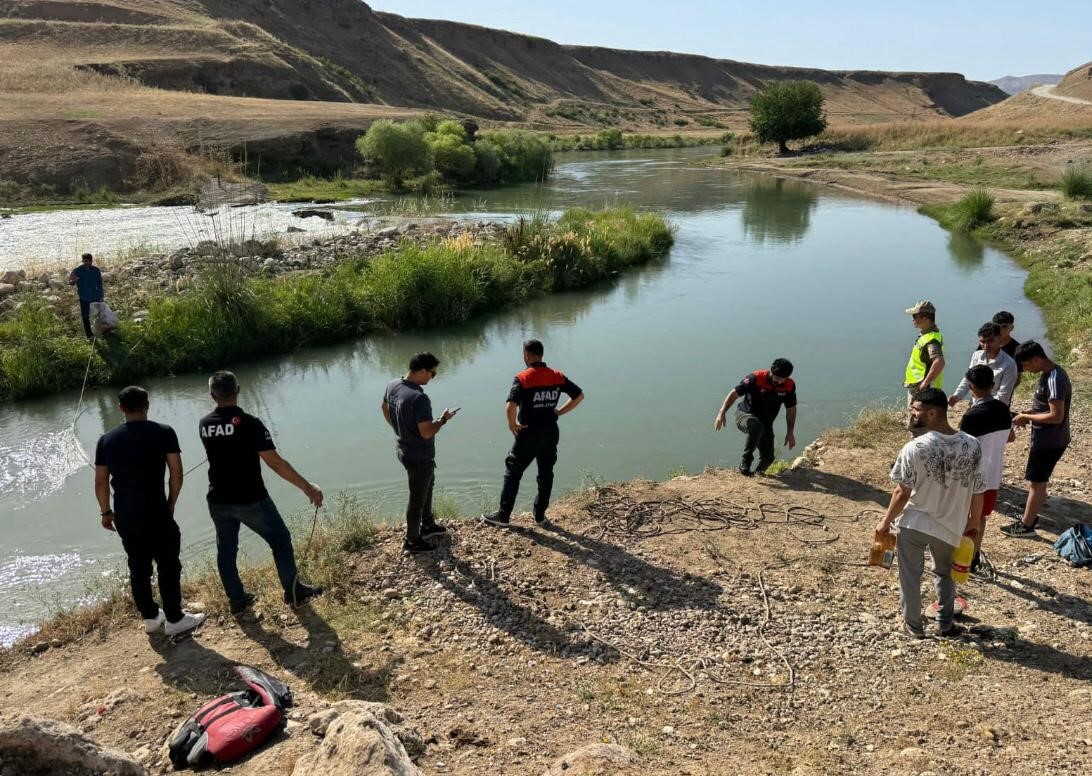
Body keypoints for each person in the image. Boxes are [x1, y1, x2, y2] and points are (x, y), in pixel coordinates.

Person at [199, 371, 324, 611]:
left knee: (226, 550)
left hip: (218, 500)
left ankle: (237, 600)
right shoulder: (250, 423)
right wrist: (308, 488)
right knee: (280, 540)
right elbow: (275, 463)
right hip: (251, 499)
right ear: (238, 390)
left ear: (212, 395)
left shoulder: (204, 424)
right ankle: (293, 590)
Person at [94, 386, 205, 637]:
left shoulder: (106, 440)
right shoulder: (164, 432)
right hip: (156, 510)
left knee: (138, 566)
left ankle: (151, 617)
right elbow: (176, 472)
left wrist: (105, 512)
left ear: (120, 408)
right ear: (147, 405)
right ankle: (175, 619)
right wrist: (171, 502)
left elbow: (100, 481)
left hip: (125, 514)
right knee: (168, 564)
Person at [875, 388, 985, 639]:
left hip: (914, 522)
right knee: (945, 574)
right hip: (950, 524)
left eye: (916, 410)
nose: (912, 413)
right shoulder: (972, 444)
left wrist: (885, 522)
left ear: (933, 412)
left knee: (910, 575)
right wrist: (974, 521)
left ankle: (913, 626)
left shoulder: (915, 447)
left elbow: (901, 492)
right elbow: (979, 489)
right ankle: (945, 624)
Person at [482, 340, 584, 527]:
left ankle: (503, 516)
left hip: (529, 433)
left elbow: (510, 405)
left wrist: (512, 424)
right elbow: (579, 396)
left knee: (513, 472)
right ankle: (540, 516)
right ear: (541, 355)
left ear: (526, 355)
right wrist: (559, 411)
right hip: (551, 432)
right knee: (546, 473)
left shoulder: (523, 377)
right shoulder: (557, 376)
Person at [382, 353, 459, 553]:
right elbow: (426, 432)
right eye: (432, 374)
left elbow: (384, 408)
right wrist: (443, 420)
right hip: (419, 455)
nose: (432, 378)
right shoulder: (419, 397)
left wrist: (399, 429)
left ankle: (427, 524)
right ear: (423, 371)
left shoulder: (393, 385)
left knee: (427, 486)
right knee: (417, 497)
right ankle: (412, 540)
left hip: (403, 449)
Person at [1001, 341, 1073, 538]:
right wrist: (1029, 412)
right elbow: (1046, 409)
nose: (1025, 369)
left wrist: (1028, 418)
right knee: (1037, 480)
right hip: (1048, 438)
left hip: (1049, 441)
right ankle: (1030, 515)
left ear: (1036, 359)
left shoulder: (1054, 379)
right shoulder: (1048, 374)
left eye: (1026, 365)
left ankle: (1027, 525)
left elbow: (1056, 415)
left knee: (1037, 482)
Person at [956, 365, 1012, 573]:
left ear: (970, 387)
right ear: (992, 385)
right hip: (993, 474)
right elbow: (1009, 436)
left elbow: (963, 448)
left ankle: (960, 556)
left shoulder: (972, 416)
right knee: (980, 517)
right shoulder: (1003, 409)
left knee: (965, 516)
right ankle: (974, 555)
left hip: (971, 476)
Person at [714, 358, 797, 476]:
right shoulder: (756, 378)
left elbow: (791, 410)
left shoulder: (789, 386)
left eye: (782, 380)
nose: (778, 382)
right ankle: (745, 462)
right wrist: (722, 412)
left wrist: (790, 432)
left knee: (768, 458)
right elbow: (734, 393)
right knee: (756, 426)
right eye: (776, 378)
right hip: (745, 415)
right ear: (771, 372)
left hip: (766, 423)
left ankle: (756, 476)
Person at [949, 322, 1018, 407]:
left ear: (1000, 340)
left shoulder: (1009, 364)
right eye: (982, 341)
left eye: (990, 341)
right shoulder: (976, 356)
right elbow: (968, 379)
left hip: (996, 408)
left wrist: (980, 405)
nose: (986, 345)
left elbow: (1003, 396)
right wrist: (956, 396)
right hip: (975, 404)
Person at [903, 301, 944, 433]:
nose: (912, 320)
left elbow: (939, 361)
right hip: (920, 386)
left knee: (917, 424)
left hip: (921, 388)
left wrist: (924, 383)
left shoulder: (931, 340)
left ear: (925, 319)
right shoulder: (927, 336)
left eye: (915, 316)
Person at [67, 252, 104, 339]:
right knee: (85, 316)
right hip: (84, 297)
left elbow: (99, 284)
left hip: (95, 296)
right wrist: (73, 281)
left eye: (87, 261)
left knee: (99, 315)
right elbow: (70, 282)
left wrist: (101, 296)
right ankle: (89, 335)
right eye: (83, 261)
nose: (85, 263)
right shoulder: (77, 270)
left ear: (91, 261)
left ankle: (101, 331)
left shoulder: (96, 270)